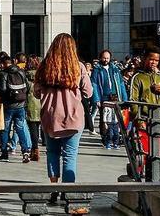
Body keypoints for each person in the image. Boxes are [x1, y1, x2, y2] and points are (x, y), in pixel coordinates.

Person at [35, 33, 94, 214]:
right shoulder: (78, 67)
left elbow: (37, 92)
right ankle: (68, 192)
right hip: (73, 118)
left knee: (52, 153)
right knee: (70, 156)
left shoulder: (45, 66)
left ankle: (54, 188)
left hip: (51, 117)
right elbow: (89, 92)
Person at [0, 53, 33, 163]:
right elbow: (27, 87)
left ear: (3, 64)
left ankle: (4, 153)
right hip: (21, 105)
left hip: (8, 106)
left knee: (5, 129)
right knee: (20, 128)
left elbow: (3, 90)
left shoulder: (4, 73)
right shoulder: (21, 71)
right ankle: (25, 152)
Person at [90, 50, 126, 150]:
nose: (106, 60)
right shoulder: (97, 70)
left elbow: (121, 83)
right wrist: (96, 99)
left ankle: (115, 139)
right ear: (100, 58)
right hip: (104, 97)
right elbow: (94, 85)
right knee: (105, 119)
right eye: (104, 58)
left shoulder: (115, 69)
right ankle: (106, 139)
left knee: (116, 119)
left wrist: (124, 98)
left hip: (115, 96)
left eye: (107, 58)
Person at [26, 55, 43, 163]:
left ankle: (35, 149)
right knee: (40, 126)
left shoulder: (26, 76)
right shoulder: (42, 76)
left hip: (30, 104)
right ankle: (40, 146)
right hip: (41, 104)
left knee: (33, 129)